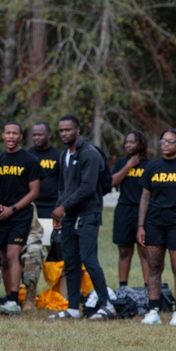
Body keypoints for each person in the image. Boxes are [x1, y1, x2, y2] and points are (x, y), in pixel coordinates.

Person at [49, 115, 113, 320]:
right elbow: (63, 186)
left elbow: (87, 187)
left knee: (88, 258)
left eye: (68, 130)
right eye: (61, 130)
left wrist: (63, 207)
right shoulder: (64, 155)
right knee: (71, 260)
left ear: (78, 130)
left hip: (88, 214)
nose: (64, 134)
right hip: (68, 215)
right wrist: (59, 208)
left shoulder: (90, 154)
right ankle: (73, 308)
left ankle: (107, 305)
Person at [138, 128, 176, 326]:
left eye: (170, 141)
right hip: (154, 222)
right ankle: (153, 310)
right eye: (163, 141)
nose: (165, 144)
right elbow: (145, 197)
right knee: (154, 267)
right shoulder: (152, 166)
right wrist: (141, 225)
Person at [0, 122, 41, 315]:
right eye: (7, 133)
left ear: (20, 136)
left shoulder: (29, 160)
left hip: (20, 215)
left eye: (14, 133)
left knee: (12, 254)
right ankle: (9, 297)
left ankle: (14, 300)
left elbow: (34, 192)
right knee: (3, 256)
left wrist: (13, 208)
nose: (10, 136)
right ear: (3, 135)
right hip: (2, 215)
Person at [110, 130, 149, 293]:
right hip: (124, 210)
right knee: (124, 251)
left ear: (141, 144)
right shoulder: (120, 163)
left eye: (132, 142)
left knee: (145, 251)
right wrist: (128, 166)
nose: (128, 145)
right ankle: (123, 287)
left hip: (144, 212)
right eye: (126, 142)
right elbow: (112, 182)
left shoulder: (150, 165)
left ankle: (149, 288)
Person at [29, 122, 61, 219]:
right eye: (34, 135)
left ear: (49, 135)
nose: (36, 137)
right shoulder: (28, 155)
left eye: (40, 135)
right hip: (31, 204)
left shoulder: (58, 155)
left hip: (52, 205)